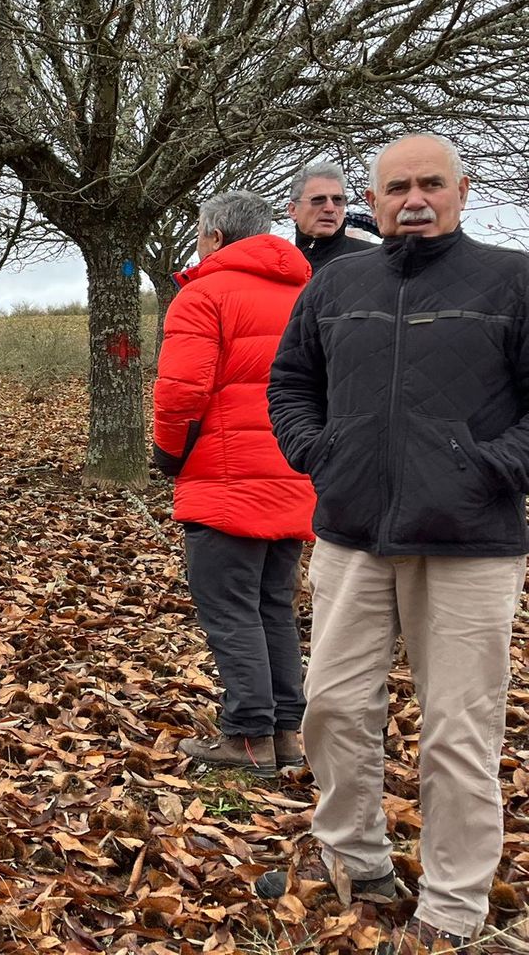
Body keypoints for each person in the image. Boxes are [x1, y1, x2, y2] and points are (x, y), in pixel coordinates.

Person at [263, 134, 529, 949]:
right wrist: (320, 452)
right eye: (397, 188)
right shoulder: (338, 282)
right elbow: (291, 382)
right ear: (372, 202)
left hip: (470, 541)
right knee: (335, 706)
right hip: (352, 534)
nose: (415, 200)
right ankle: (351, 855)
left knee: (458, 729)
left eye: (432, 185)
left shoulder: (514, 281)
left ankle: (453, 905)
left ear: (462, 189)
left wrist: (485, 469)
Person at [152, 191, 315, 778]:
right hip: (294, 474)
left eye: (199, 234)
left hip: (225, 479)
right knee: (274, 605)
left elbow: (180, 393)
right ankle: (286, 732)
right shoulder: (307, 293)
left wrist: (170, 457)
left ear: (215, 237)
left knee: (230, 608)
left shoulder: (202, 296)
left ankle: (247, 735)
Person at [287, 160, 380, 273]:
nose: (330, 208)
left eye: (338, 200)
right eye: (318, 200)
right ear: (293, 210)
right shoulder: (277, 265)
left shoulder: (376, 261)